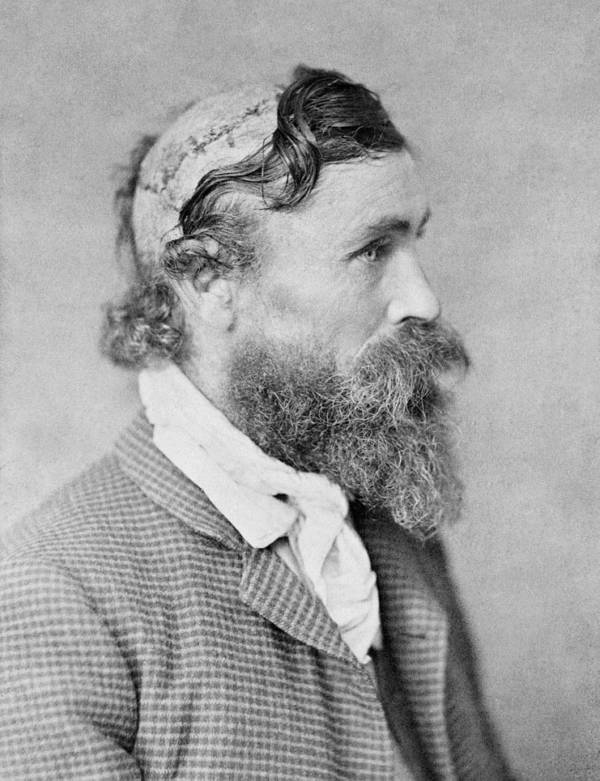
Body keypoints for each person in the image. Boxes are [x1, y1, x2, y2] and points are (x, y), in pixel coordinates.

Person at [0, 66, 514, 779]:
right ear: (212, 283)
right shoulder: (55, 593)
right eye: (372, 251)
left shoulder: (389, 522)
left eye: (412, 243)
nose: (423, 300)